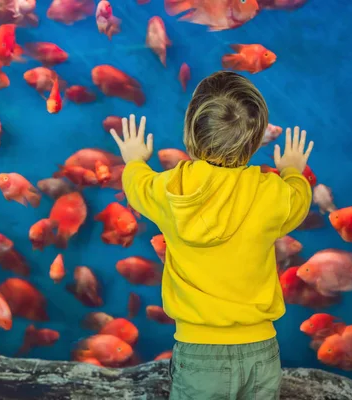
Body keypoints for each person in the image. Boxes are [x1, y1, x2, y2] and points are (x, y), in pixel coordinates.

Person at [109, 71, 314, 400]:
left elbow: (136, 188)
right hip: (261, 352)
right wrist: (293, 169)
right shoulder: (272, 194)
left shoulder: (170, 190)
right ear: (256, 138)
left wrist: (134, 161)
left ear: (190, 130)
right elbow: (299, 202)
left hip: (198, 352)